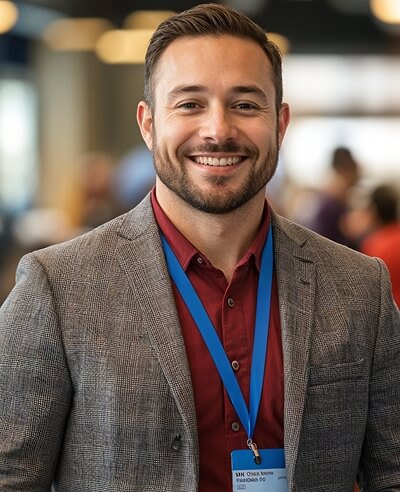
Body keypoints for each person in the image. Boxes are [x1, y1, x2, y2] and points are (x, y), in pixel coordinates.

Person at [0, 4, 399, 492]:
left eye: (245, 105)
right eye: (190, 104)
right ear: (148, 124)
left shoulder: (361, 289)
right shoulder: (57, 289)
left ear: (280, 124)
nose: (218, 130)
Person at [306, 146, 361, 246]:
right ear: (344, 169)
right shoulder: (332, 203)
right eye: (355, 168)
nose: (359, 173)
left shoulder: (333, 197)